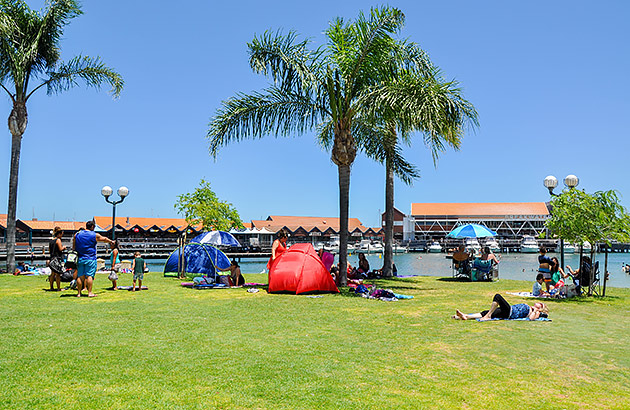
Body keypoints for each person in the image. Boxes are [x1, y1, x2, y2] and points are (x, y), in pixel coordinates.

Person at [73, 220, 114, 297]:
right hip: (90, 258)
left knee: (80, 276)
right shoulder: (94, 235)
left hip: (80, 257)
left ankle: (79, 293)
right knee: (89, 276)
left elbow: (74, 244)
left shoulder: (77, 234)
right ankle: (90, 292)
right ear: (92, 226)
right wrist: (111, 241)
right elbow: (104, 239)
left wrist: (74, 249)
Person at [453, 294, 549, 321]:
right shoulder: (531, 307)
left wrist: (535, 310)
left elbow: (531, 318)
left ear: (540, 308)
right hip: (508, 311)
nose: (537, 303)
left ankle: (488, 316)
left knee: (497, 297)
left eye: (539, 304)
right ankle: (465, 316)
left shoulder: (537, 312)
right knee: (485, 312)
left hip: (510, 313)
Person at [48, 227, 65, 291]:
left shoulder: (51, 241)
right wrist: (64, 247)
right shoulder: (58, 240)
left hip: (52, 258)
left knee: (52, 274)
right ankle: (58, 288)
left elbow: (49, 250)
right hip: (57, 258)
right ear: (59, 234)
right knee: (58, 274)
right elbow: (60, 249)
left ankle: (51, 287)